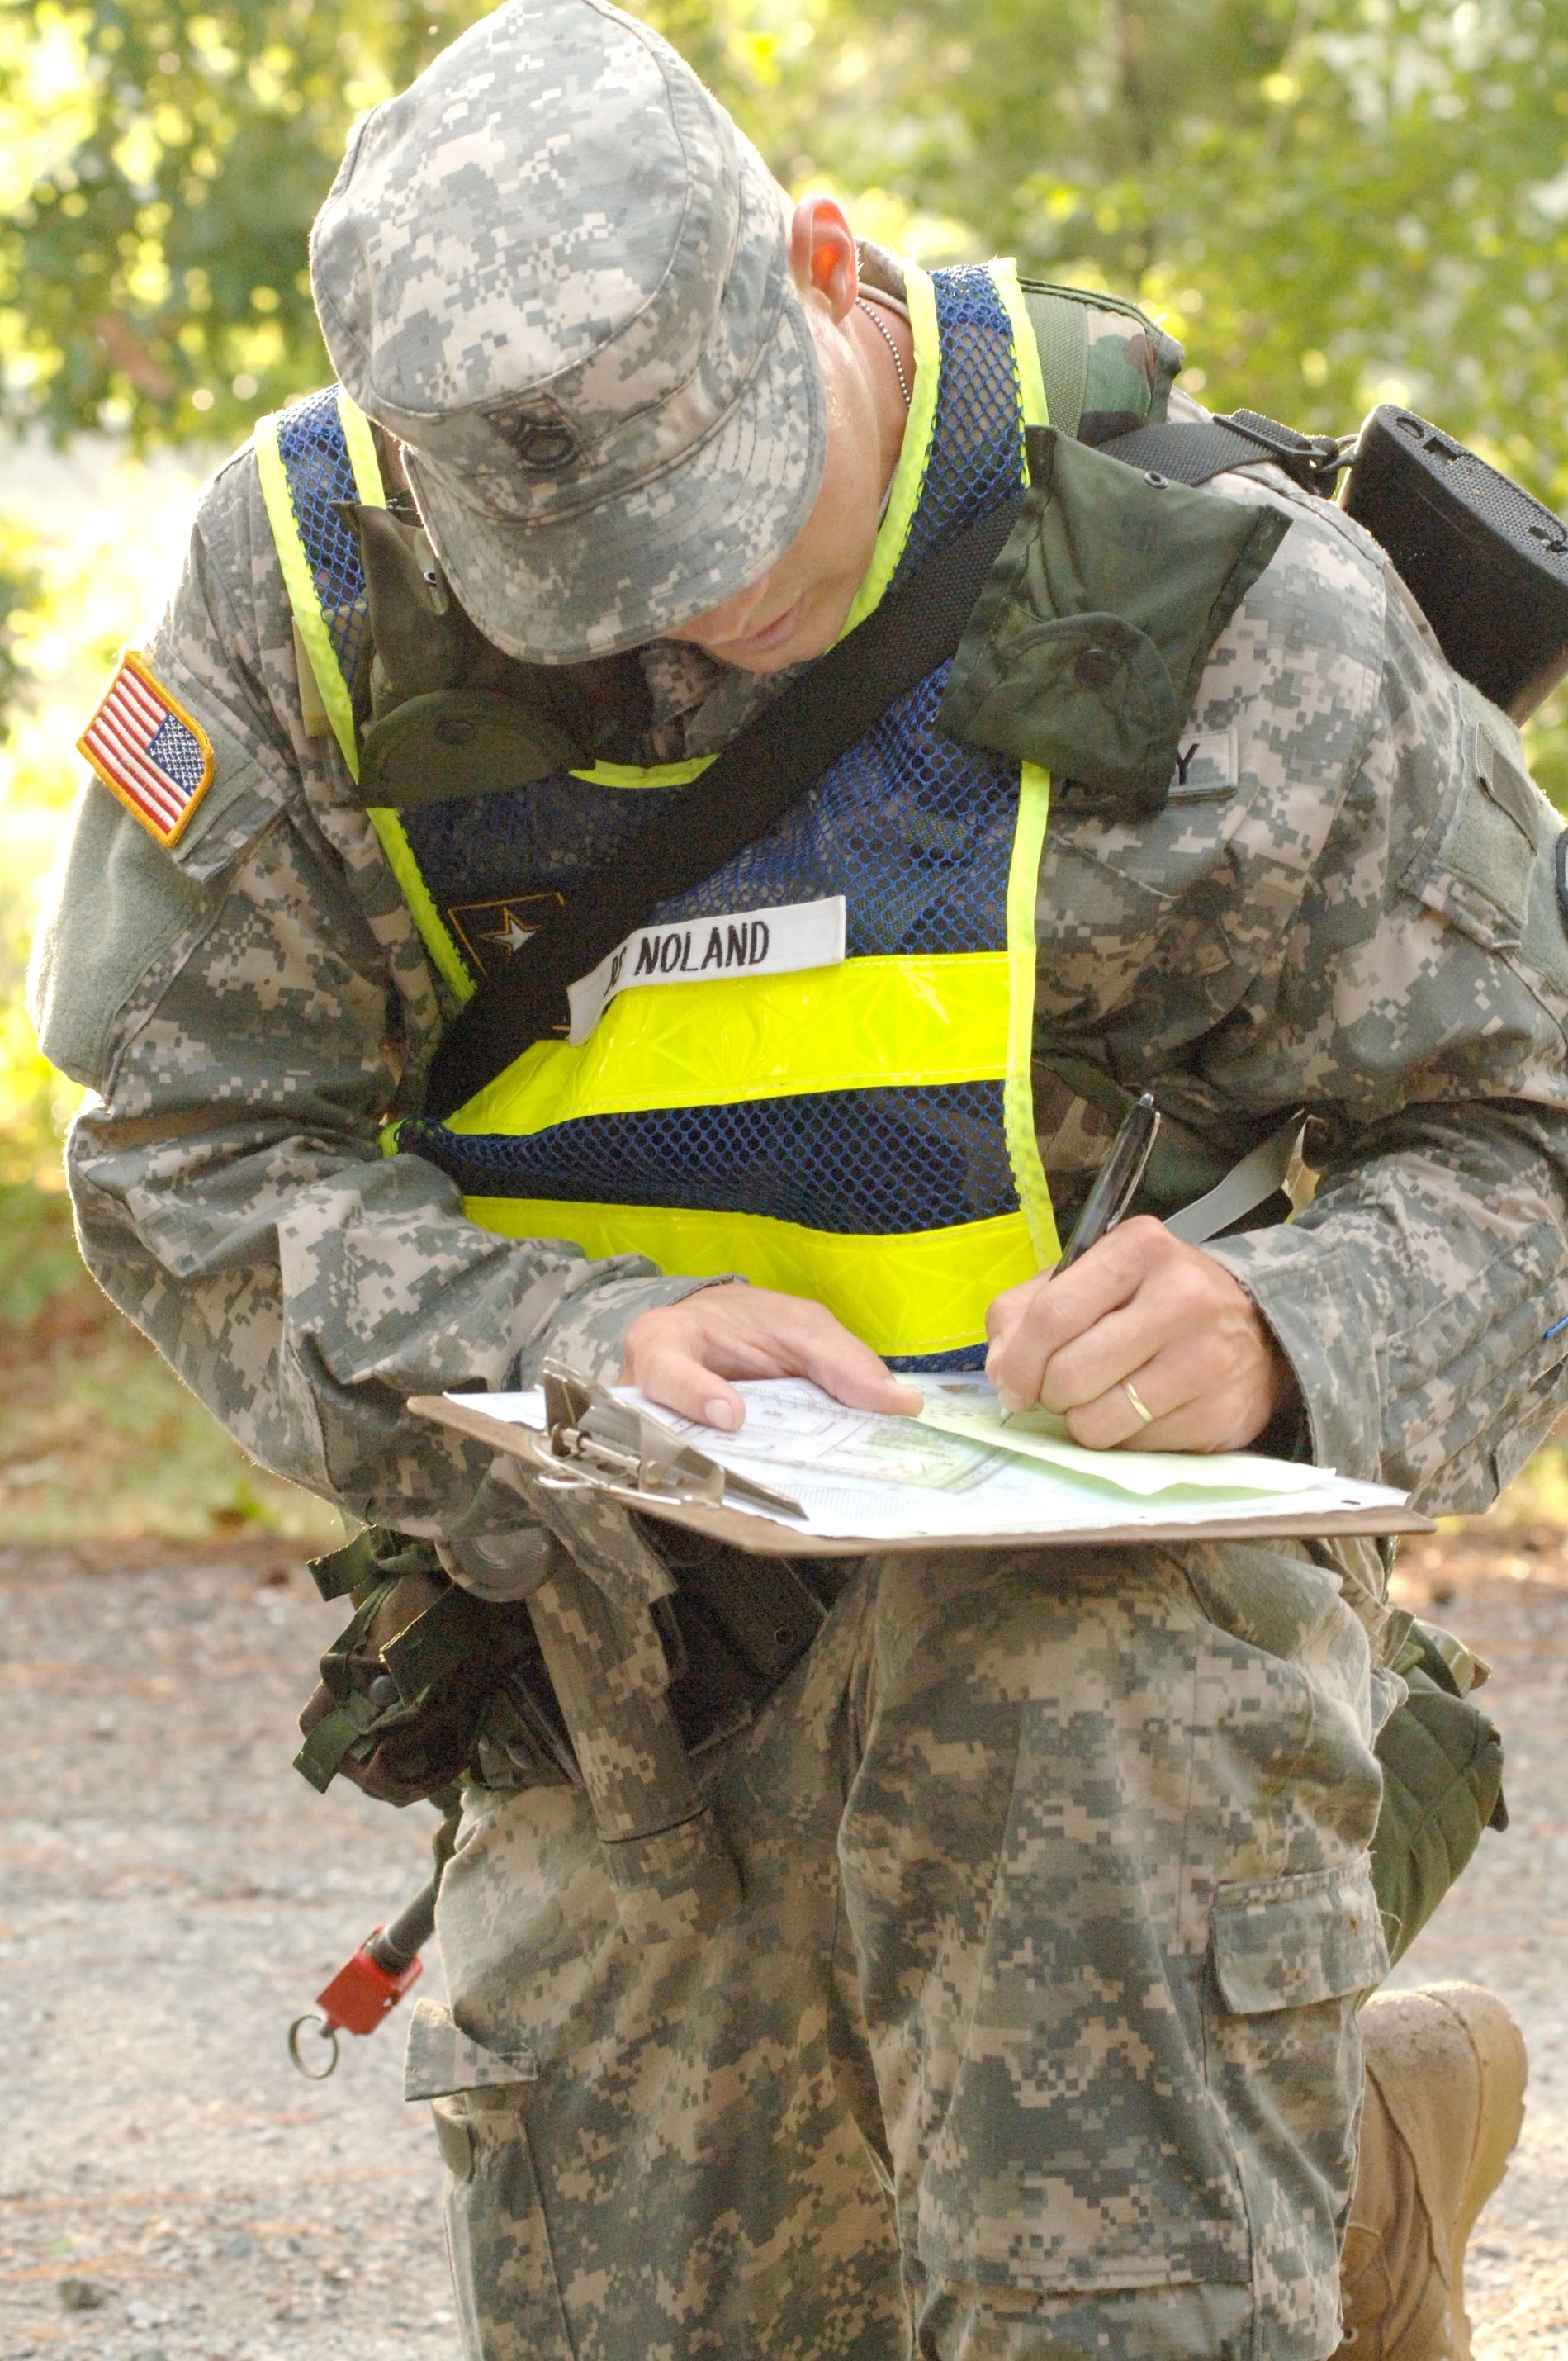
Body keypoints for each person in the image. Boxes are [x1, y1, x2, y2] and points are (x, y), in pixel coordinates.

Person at [31, 0, 1548, 2352]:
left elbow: (1519, 1128)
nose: (665, 631)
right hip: (621, 1645)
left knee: (1103, 2283)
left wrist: (1285, 1334)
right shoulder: (309, 607)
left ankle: (1282, 2176)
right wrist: (548, 1344)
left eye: (719, 536)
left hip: (1113, 1675)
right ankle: (1348, 2155)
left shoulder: (1211, 596)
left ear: (824, 265)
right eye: (577, 588)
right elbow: (179, 1142)